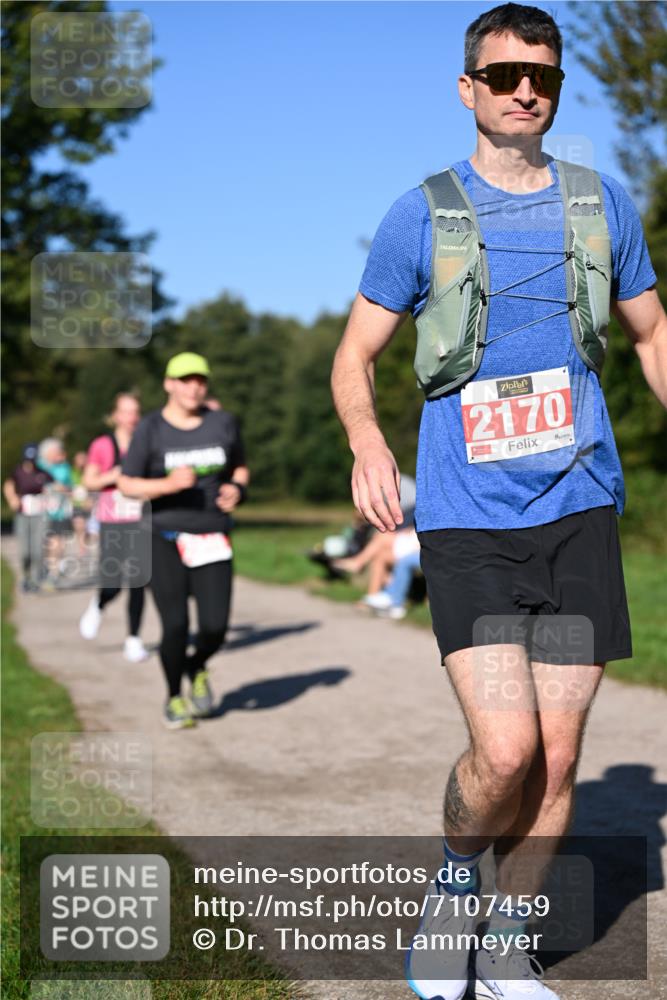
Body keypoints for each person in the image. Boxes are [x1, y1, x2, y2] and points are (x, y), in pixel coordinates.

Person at [331, 5, 666, 999]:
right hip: (468, 515)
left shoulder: (599, 204)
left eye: (543, 77)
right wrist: (366, 441)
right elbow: (354, 354)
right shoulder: (422, 215)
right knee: (506, 748)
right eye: (505, 73)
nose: (526, 90)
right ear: (467, 87)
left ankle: (508, 946)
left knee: (557, 760)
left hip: (579, 508)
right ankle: (452, 886)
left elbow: (650, 333)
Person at [118, 352, 249, 730]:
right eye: (185, 380)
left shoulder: (222, 422)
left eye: (200, 380)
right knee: (174, 625)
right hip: (164, 537)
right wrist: (167, 485)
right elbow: (126, 483)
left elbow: (240, 466)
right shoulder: (151, 428)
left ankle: (197, 665)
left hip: (212, 535)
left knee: (215, 627)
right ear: (169, 384)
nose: (194, 387)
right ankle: (174, 696)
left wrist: (237, 488)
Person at [78, 393, 149, 663]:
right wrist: (115, 476)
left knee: (139, 581)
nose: (132, 417)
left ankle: (134, 639)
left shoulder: (146, 442)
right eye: (126, 412)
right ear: (116, 415)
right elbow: (89, 481)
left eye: (135, 412)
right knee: (114, 583)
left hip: (141, 519)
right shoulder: (102, 445)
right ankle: (99, 603)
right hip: (112, 519)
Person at [3, 443, 52, 591]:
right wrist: (12, 498)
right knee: (25, 551)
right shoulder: (18, 472)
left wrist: (49, 495)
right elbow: (8, 485)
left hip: (39, 515)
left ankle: (37, 579)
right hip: (23, 515)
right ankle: (26, 577)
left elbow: (53, 486)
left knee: (38, 549)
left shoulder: (42, 473)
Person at [37, 437, 74, 588]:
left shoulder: (64, 466)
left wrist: (64, 489)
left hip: (61, 511)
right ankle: (46, 567)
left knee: (59, 541)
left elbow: (70, 486)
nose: (59, 453)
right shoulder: (39, 465)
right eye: (56, 451)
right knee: (45, 543)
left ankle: (54, 572)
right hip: (43, 511)